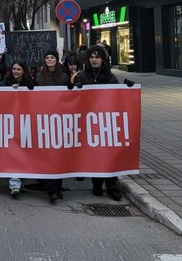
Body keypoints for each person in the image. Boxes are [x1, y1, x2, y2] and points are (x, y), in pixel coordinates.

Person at [74, 44, 122, 201]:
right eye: (92, 57)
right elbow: (73, 98)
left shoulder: (109, 76)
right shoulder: (81, 76)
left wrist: (127, 89)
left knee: (108, 154)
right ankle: (96, 185)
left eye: (97, 57)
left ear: (103, 59)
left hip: (106, 122)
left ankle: (112, 186)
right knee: (94, 154)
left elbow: (118, 95)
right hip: (88, 122)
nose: (94, 60)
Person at [35, 50, 69, 203]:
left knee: (59, 155)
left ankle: (57, 186)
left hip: (61, 121)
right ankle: (51, 190)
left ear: (57, 59)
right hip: (44, 120)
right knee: (47, 155)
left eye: (52, 57)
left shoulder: (64, 76)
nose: (49, 60)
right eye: (47, 57)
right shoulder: (39, 76)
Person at [0, 59, 35, 198]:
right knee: (13, 152)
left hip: (24, 122)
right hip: (9, 123)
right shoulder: (5, 83)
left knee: (22, 152)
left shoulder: (30, 84)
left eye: (19, 69)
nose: (16, 71)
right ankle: (15, 183)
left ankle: (20, 180)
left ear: (23, 71)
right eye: (14, 69)